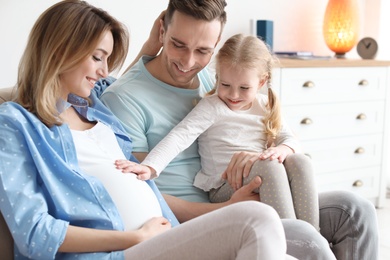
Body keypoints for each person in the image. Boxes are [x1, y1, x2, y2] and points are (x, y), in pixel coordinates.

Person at [0, 1, 294, 259]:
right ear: (60, 49)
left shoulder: (93, 104)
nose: (104, 71)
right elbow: (35, 234)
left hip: (168, 235)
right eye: (97, 57)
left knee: (310, 241)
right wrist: (134, 237)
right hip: (122, 249)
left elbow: (124, 83)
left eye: (106, 59)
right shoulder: (15, 124)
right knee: (259, 219)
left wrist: (156, 46)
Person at [100, 0, 379, 259]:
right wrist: (228, 206)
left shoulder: (217, 76)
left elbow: (262, 127)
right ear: (162, 31)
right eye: (178, 44)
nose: (188, 63)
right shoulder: (125, 99)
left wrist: (265, 156)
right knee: (304, 237)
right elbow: (143, 190)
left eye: (203, 51)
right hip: (199, 216)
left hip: (254, 189)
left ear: (216, 46)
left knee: (355, 210)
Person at [115, 34, 319, 230]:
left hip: (260, 175)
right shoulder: (212, 106)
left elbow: (290, 138)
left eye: (244, 88)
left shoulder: (266, 105)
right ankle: (291, 246)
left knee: (301, 161)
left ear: (262, 82)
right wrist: (150, 167)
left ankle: (312, 237)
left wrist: (283, 148)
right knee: (271, 167)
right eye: (225, 84)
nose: (233, 95)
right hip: (224, 186)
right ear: (217, 77)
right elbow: (180, 136)